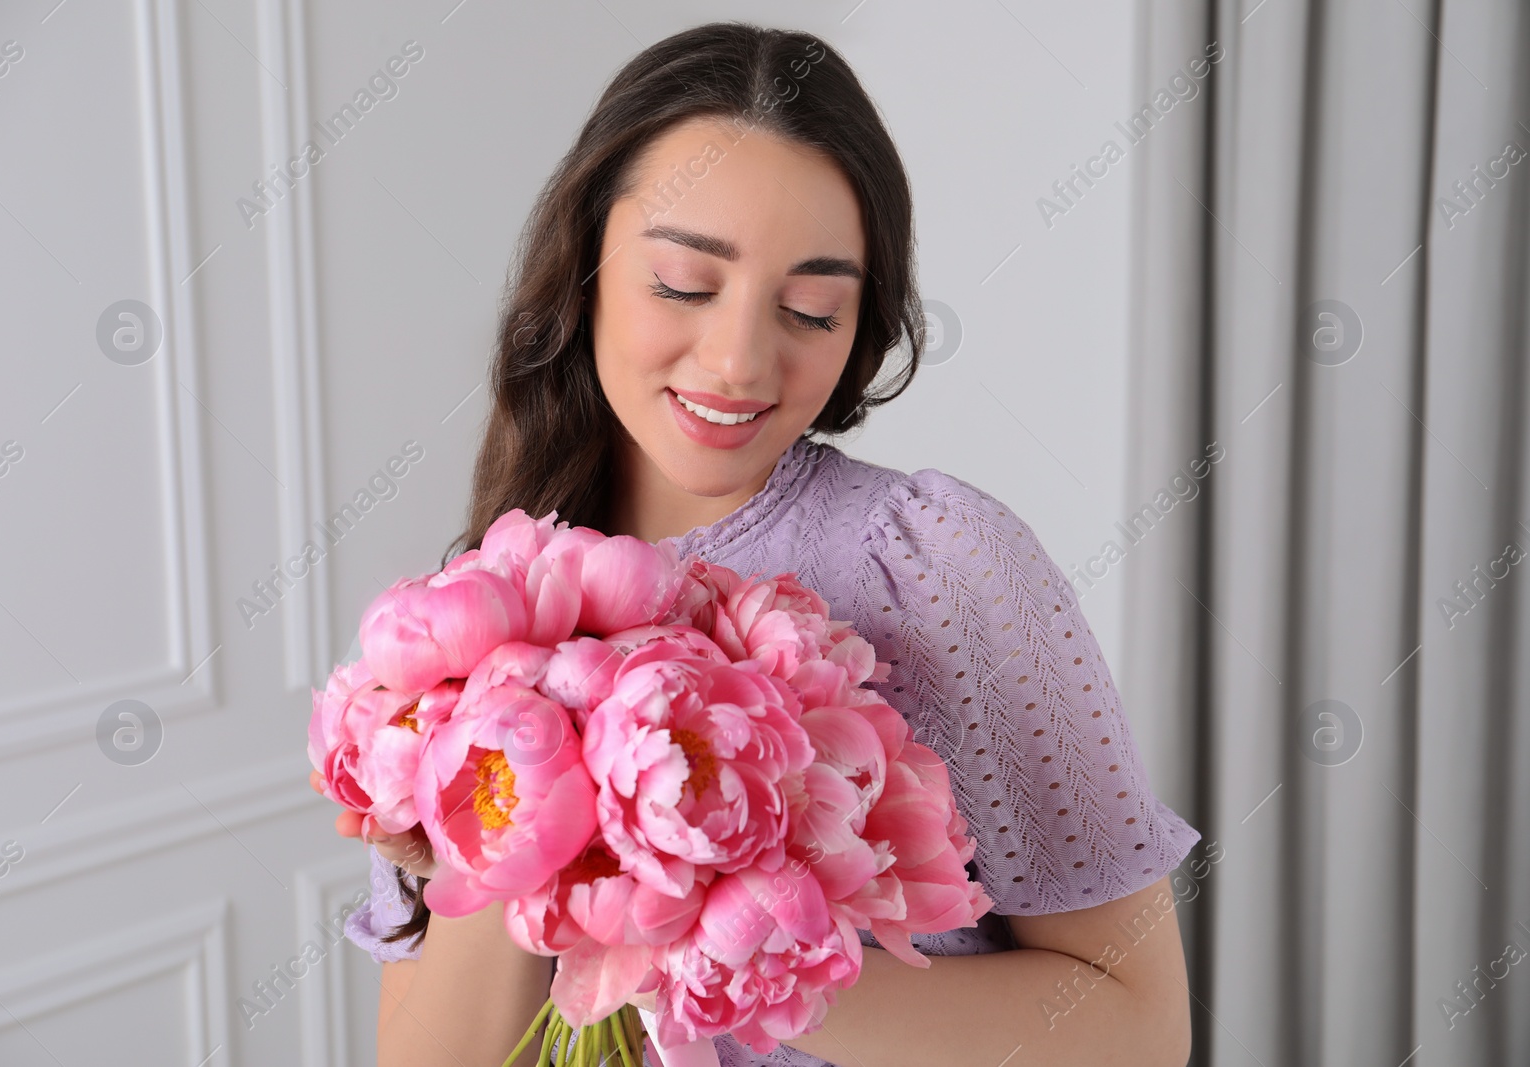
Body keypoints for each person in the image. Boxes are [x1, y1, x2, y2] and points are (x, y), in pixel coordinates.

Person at [312, 20, 1201, 1067]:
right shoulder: (466, 622)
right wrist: (515, 774)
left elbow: (1138, 1025)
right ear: (585, 266)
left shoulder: (936, 564)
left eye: (812, 309)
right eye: (685, 284)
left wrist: (739, 952)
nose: (739, 360)